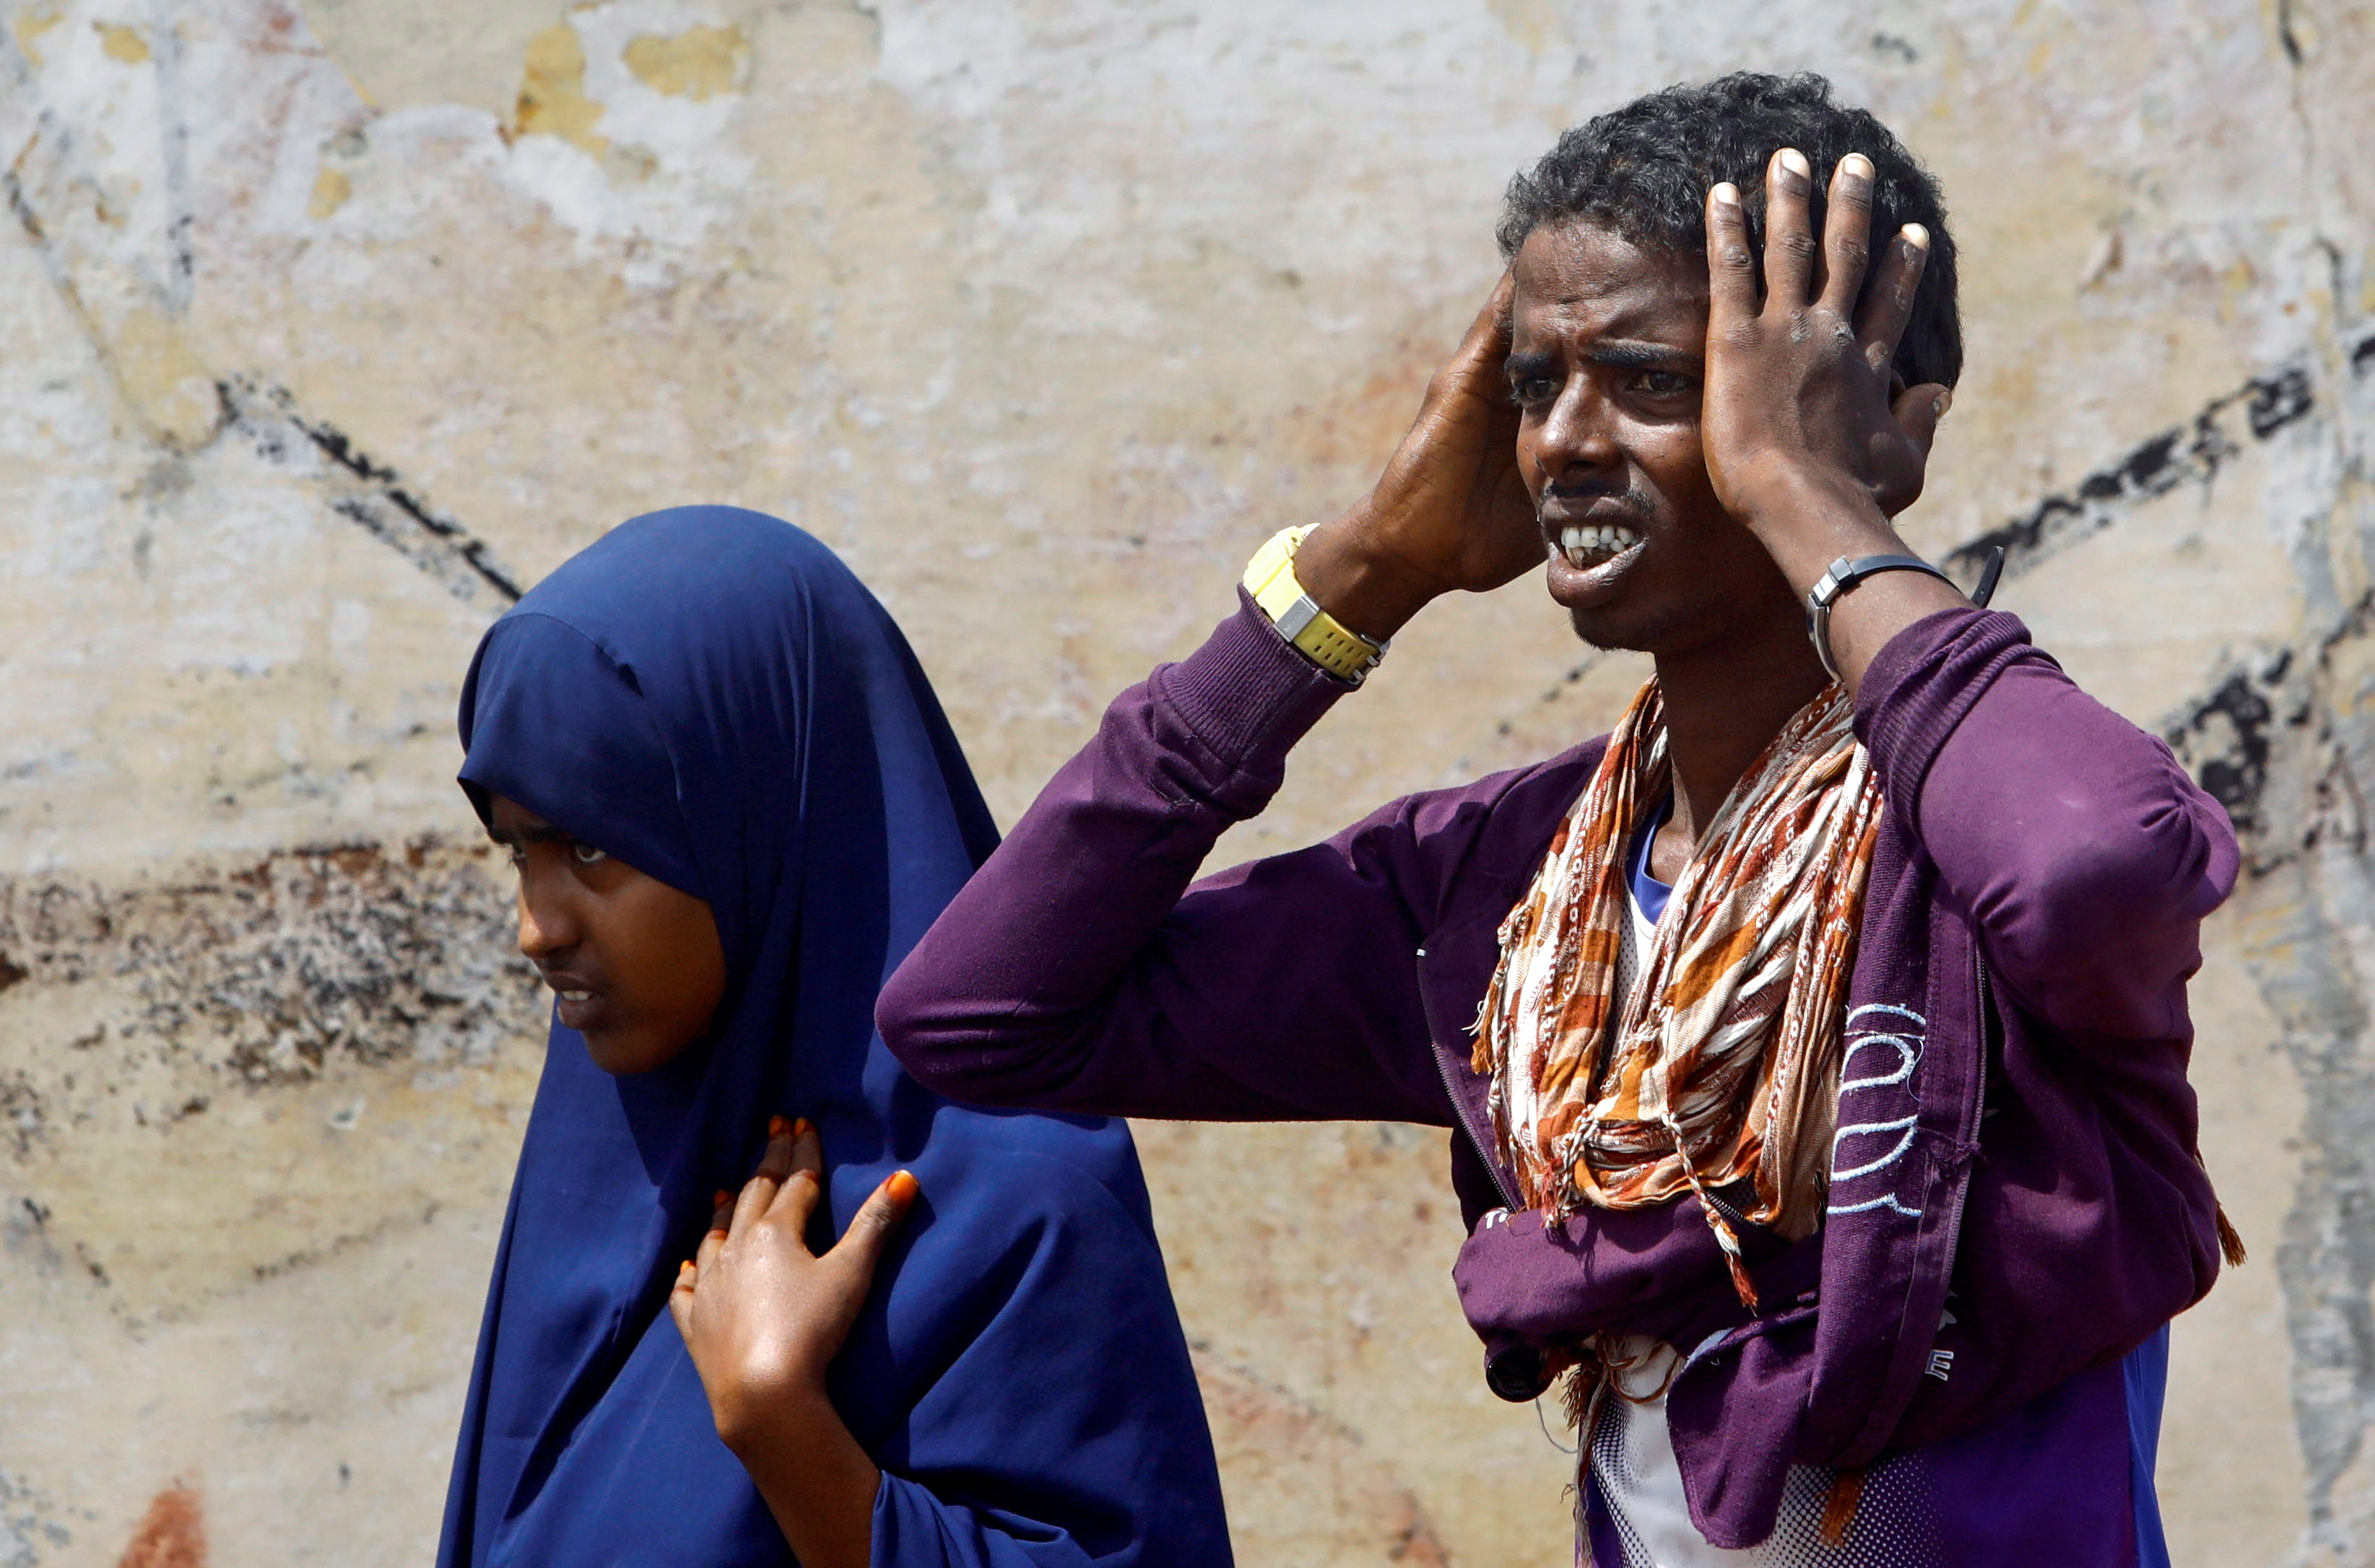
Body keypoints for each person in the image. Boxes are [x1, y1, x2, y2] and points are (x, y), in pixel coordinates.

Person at [877, 74, 2239, 1566]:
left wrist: (1807, 499)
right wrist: (1361, 573)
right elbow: (979, 1014)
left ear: (1884, 437)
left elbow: (2092, 867)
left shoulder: (1974, 843)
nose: (1564, 443)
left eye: (1655, 380)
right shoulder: (1514, 899)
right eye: (1535, 386)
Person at [434, 507, 1233, 1568]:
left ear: (761, 824)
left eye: (588, 847)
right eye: (515, 851)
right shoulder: (605, 1170)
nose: (538, 928)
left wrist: (784, 1429)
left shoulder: (1005, 1214)